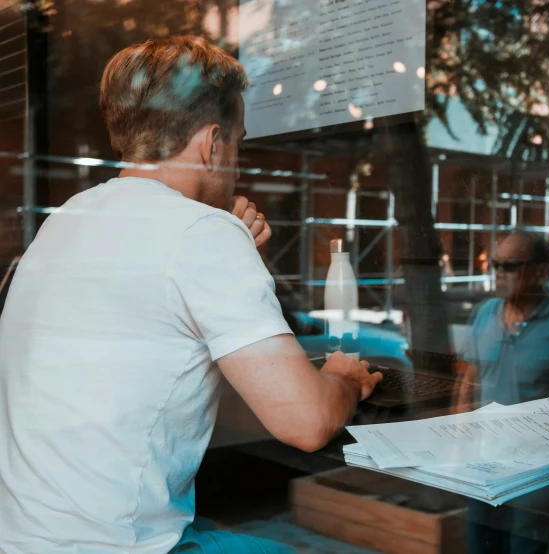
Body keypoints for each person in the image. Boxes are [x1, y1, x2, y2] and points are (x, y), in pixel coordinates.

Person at [0, 36, 381, 554]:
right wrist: (341, 379)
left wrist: (235, 253)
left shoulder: (67, 220)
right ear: (211, 142)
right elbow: (306, 422)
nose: (238, 164)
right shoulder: (201, 233)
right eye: (239, 144)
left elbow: (153, 354)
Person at [456, 231, 549, 554]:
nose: (499, 272)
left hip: (539, 472)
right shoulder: (485, 314)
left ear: (541, 272)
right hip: (485, 462)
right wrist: (457, 443)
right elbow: (469, 382)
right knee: (482, 547)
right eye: (495, 264)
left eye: (510, 265)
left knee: (526, 549)